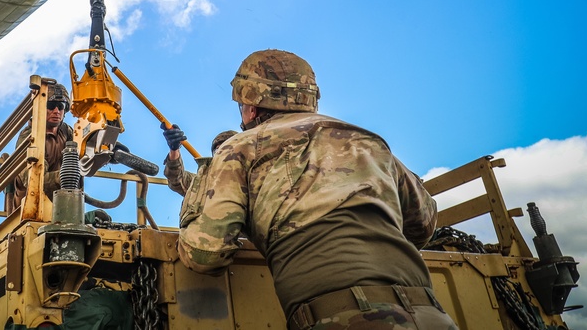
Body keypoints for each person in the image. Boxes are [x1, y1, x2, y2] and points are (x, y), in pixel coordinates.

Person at [177, 50, 457, 330]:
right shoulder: (368, 141)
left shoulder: (241, 146)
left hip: (345, 318)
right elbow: (424, 223)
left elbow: (205, 255)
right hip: (432, 314)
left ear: (250, 106)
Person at [6, 82, 74, 212]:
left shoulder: (66, 131)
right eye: (51, 105)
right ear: (40, 107)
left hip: (61, 206)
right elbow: (33, 179)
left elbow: (83, 155)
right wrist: (65, 176)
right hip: (30, 209)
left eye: (61, 106)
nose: (56, 111)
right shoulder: (30, 136)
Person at [160, 123, 238, 195]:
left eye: (227, 148)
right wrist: (174, 149)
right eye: (217, 149)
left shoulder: (247, 180)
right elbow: (176, 178)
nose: (221, 152)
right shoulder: (203, 183)